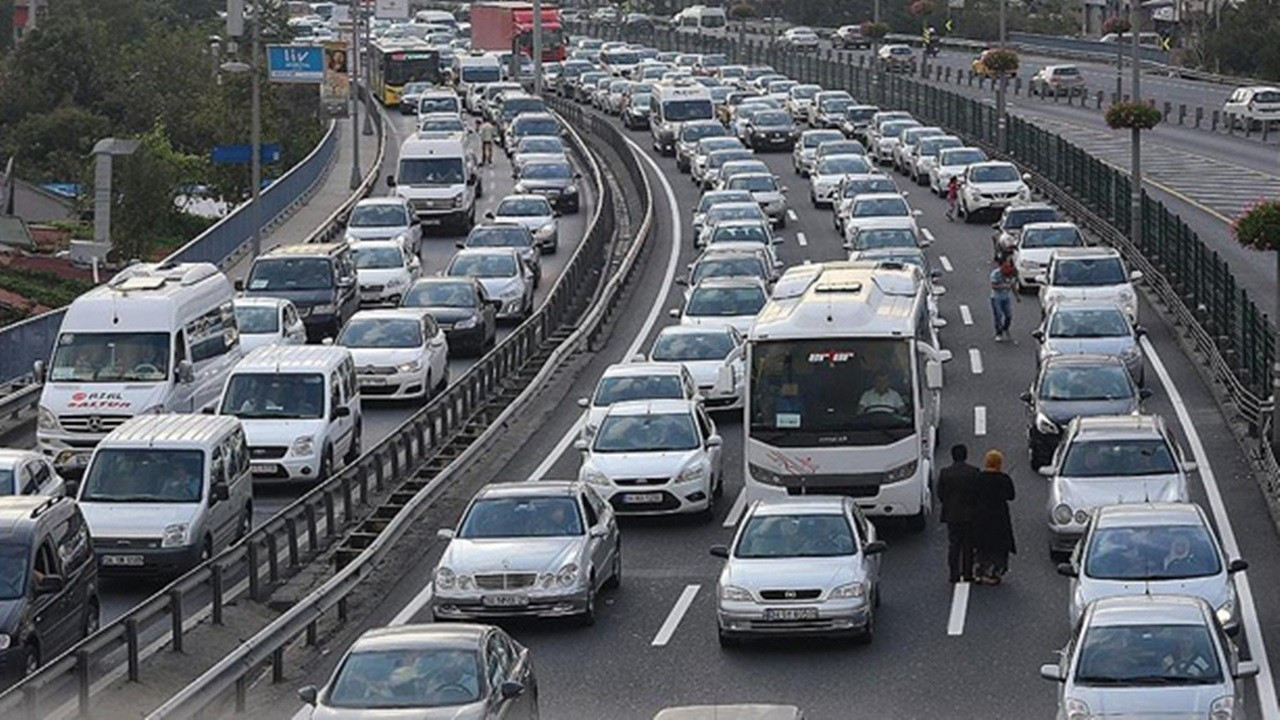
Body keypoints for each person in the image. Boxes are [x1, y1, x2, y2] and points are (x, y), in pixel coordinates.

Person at [936, 444, 982, 583]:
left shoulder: (945, 473)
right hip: (970, 514)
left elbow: (940, 494)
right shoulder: (974, 472)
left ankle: (953, 574)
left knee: (954, 545)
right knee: (968, 545)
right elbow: (978, 493)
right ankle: (968, 573)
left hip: (952, 514)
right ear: (965, 455)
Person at [971, 449, 1017, 585]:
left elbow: (973, 495)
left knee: (981, 543)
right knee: (999, 545)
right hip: (999, 516)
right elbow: (1011, 496)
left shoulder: (979, 478)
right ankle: (995, 572)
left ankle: (979, 570)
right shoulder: (1004, 479)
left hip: (981, 515)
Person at [989, 259, 1018, 342]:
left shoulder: (1011, 274)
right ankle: (999, 333)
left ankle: (1005, 327)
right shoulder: (995, 274)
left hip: (1006, 297)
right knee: (998, 315)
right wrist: (1004, 286)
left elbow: (1012, 285)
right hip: (996, 297)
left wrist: (1017, 296)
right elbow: (993, 286)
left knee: (1009, 315)